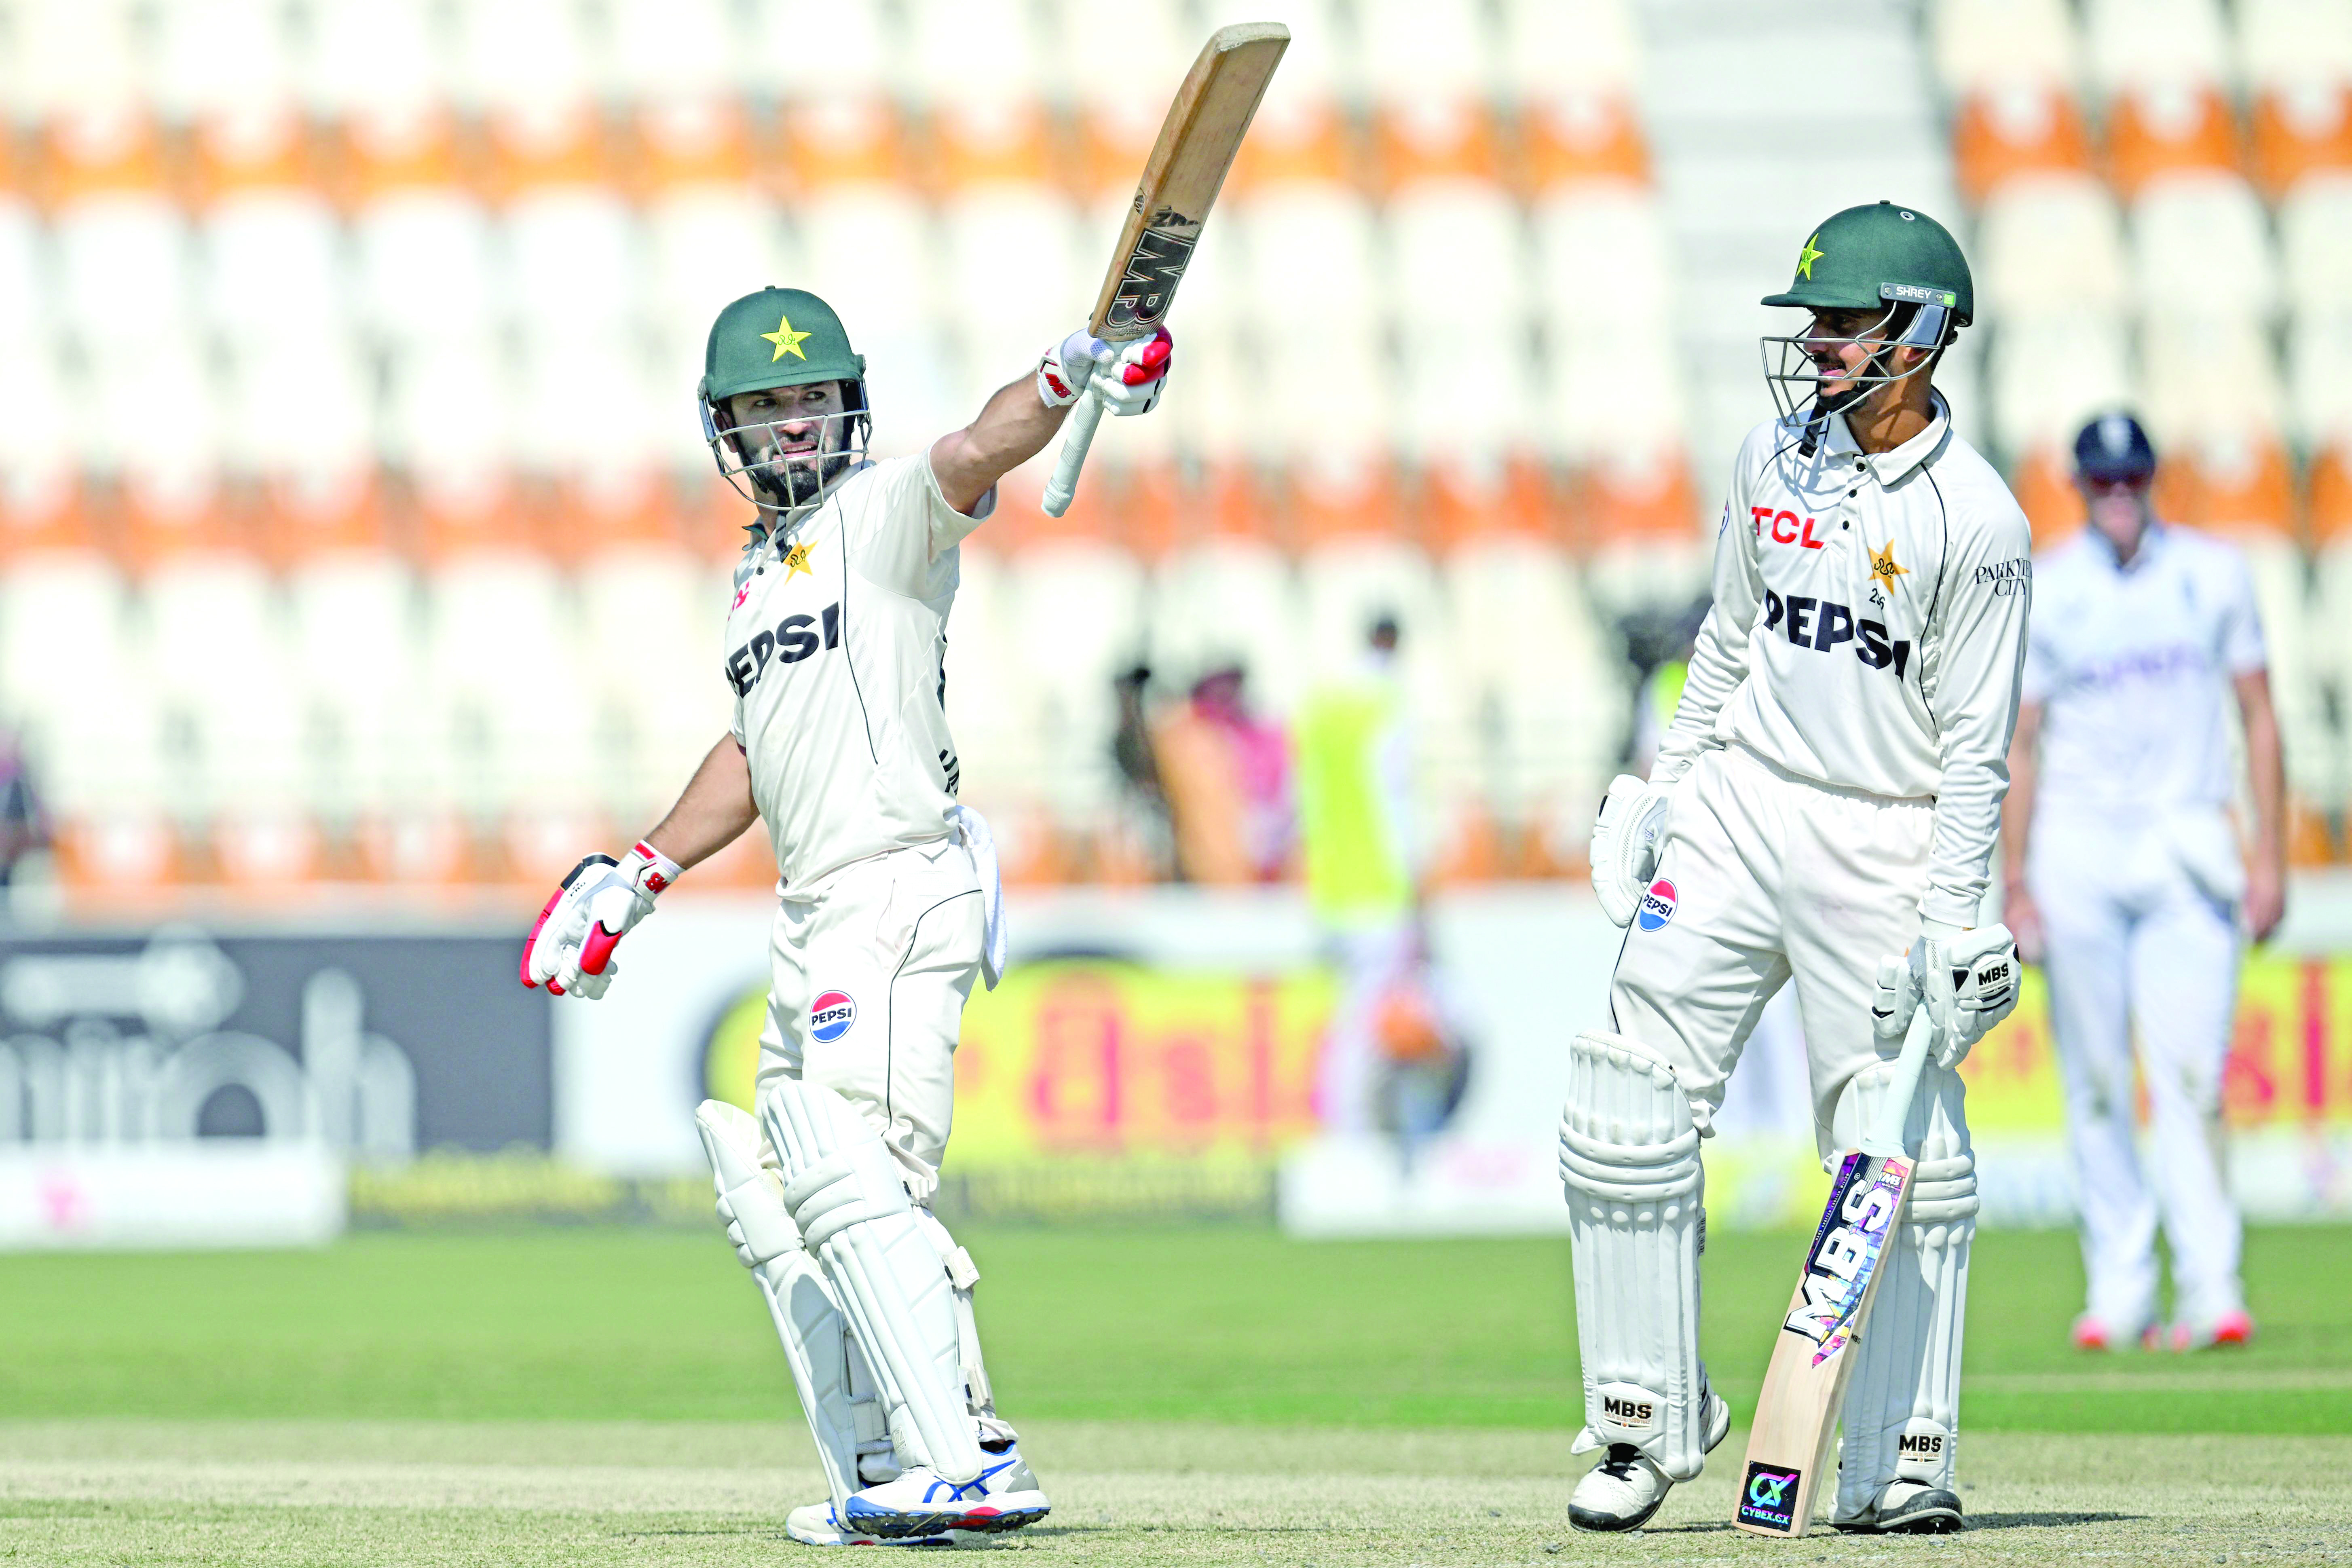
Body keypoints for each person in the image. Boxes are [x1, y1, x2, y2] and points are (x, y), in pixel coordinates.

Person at [518, 287, 1171, 1547]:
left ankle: (966, 1462)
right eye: (768, 408)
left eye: (813, 398)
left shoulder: (884, 515)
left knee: (854, 1162)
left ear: (851, 404)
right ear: (731, 433)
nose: (795, 426)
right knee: (769, 1176)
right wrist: (640, 871)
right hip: (812, 904)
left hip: (894, 879)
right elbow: (755, 751)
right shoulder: (760, 576)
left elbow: (977, 451)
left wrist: (1063, 375)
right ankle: (898, 1450)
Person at [1566, 203, 2029, 1534]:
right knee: (1622, 1092)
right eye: (1812, 321)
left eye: (1845, 322)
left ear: (1924, 334)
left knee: (1900, 1154)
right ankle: (1641, 1419)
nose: (1817, 344)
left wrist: (1953, 915)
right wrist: (1660, 786)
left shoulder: (1975, 523)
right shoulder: (1769, 454)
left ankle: (1893, 1452)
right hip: (1737, 805)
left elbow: (1973, 744)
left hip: (1879, 830)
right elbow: (1725, 634)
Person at [2002, 411, 2283, 1354]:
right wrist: (2014, 883)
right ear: (2079, 486)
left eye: (2131, 480)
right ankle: (2117, 1290)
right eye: (2101, 482)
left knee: (2192, 1077)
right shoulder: (2050, 587)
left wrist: (2269, 855)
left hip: (2185, 844)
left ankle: (2211, 1288)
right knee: (2091, 1082)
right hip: (2076, 850)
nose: (2117, 497)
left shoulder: (2213, 573)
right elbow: (2022, 742)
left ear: (2150, 481)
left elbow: (2258, 714)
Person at [1295, 614, 1424, 1138]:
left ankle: (1345, 1123)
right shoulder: (1386, 703)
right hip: (1377, 892)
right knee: (1366, 1027)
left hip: (1328, 889)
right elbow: (1395, 800)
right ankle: (1348, 1131)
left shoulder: (1322, 705)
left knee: (1347, 1017)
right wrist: (1415, 885)